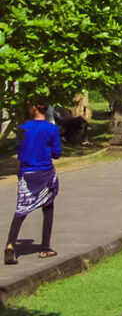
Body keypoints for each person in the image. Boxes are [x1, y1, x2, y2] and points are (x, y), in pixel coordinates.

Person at [6, 101, 61, 264]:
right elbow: (57, 153)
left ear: (34, 108)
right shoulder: (51, 129)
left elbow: (19, 151)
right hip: (44, 172)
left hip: (26, 172)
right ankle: (45, 248)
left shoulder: (23, 128)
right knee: (48, 207)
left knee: (21, 209)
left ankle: (10, 244)